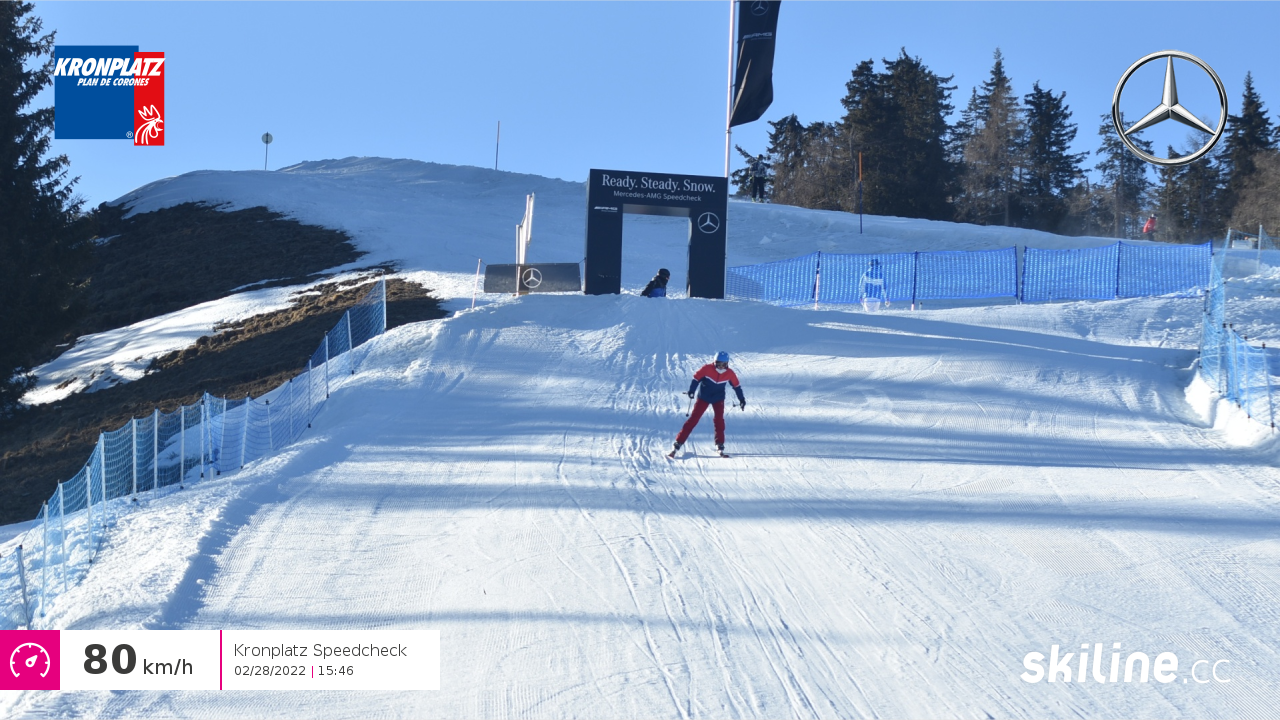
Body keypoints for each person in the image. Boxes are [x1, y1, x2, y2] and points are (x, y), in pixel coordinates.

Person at [670, 351, 746, 457]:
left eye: (724, 364)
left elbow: (737, 386)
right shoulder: (707, 369)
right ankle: (679, 442)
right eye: (719, 364)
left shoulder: (730, 373)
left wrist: (742, 399)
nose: (721, 367)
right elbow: (696, 379)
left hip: (718, 399)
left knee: (719, 420)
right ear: (714, 362)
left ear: (727, 364)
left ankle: (720, 444)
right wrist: (692, 390)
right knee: (694, 419)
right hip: (703, 398)